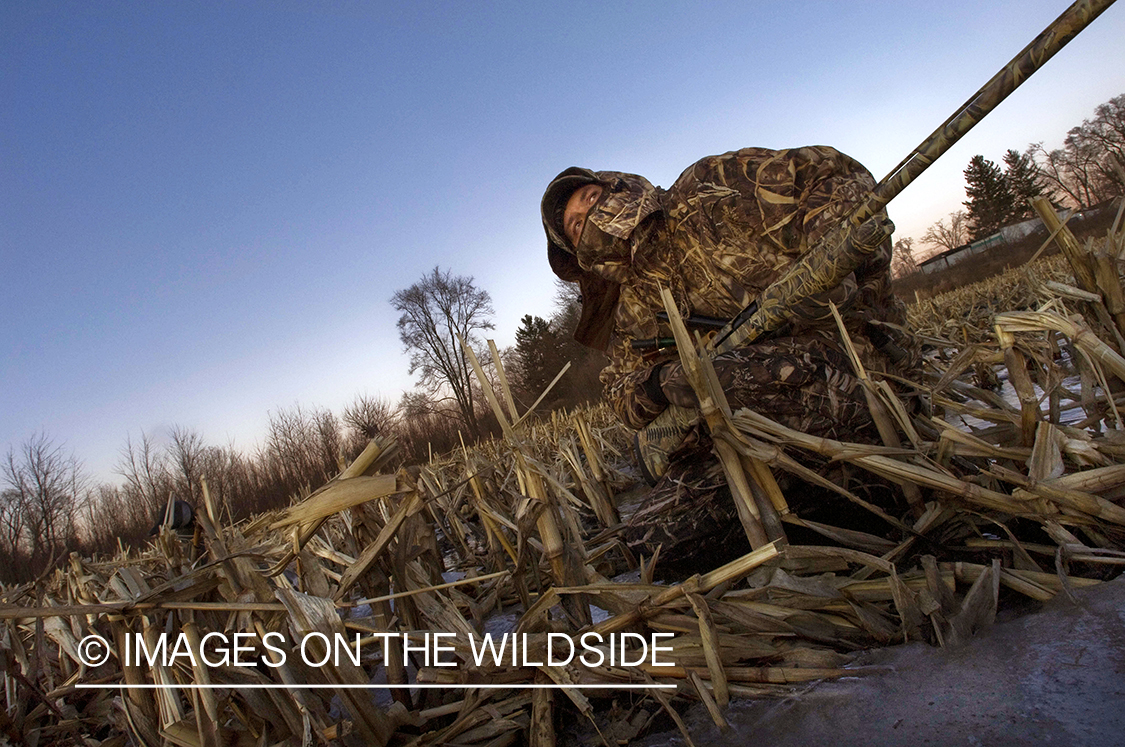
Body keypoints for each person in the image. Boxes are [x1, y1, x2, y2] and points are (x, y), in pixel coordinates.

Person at [541, 146, 917, 566]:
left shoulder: (705, 190)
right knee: (653, 544)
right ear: (577, 255)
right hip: (754, 426)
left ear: (615, 184)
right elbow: (619, 390)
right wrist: (661, 382)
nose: (590, 219)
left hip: (859, 369)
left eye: (591, 199)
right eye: (576, 227)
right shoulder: (630, 303)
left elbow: (833, 177)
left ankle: (875, 488)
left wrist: (838, 276)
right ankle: (825, 514)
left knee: (719, 379)